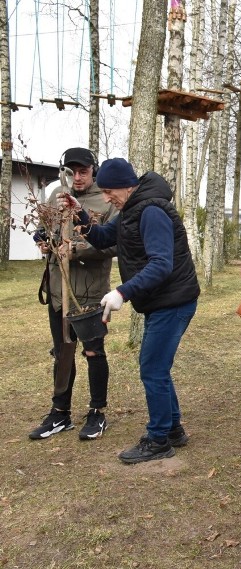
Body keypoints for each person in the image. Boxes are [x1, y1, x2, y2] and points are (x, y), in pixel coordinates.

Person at [65, 158, 199, 466]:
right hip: (160, 301)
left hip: (174, 301)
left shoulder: (151, 211)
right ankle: (173, 428)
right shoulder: (131, 210)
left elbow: (162, 263)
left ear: (128, 185)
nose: (108, 198)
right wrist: (80, 214)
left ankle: (159, 439)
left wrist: (122, 292)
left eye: (110, 191)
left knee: (152, 368)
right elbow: (101, 239)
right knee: (157, 367)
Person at [29, 147, 118, 441]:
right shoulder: (56, 193)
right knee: (62, 352)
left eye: (83, 171)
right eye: (71, 171)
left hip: (89, 294)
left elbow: (114, 243)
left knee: (93, 352)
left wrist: (78, 249)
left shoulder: (106, 198)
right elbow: (44, 229)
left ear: (94, 170)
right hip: (58, 290)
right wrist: (43, 240)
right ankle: (60, 412)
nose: (77, 178)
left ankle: (97, 412)